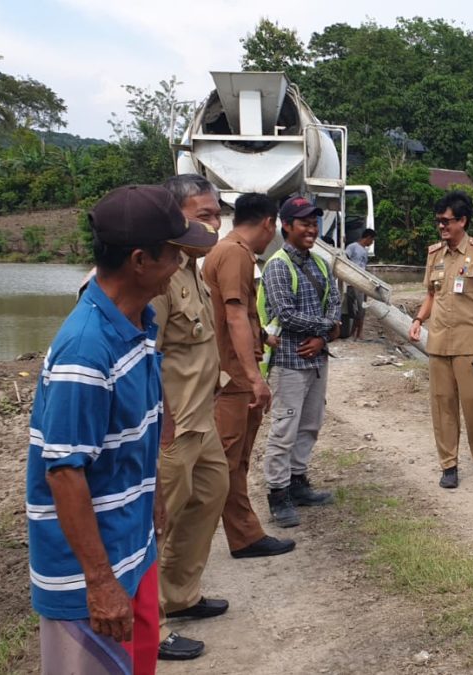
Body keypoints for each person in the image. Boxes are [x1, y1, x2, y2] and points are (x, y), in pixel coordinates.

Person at [26, 185, 215, 674]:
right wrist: (100, 583)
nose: (179, 263)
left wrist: (150, 489)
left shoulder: (139, 322)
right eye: (173, 252)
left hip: (133, 548)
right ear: (139, 260)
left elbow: (137, 425)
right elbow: (64, 474)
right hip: (92, 577)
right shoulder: (86, 351)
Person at [145, 175, 226, 661]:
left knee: (209, 498)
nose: (215, 223)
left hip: (203, 420)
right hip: (172, 429)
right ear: (175, 219)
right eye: (204, 214)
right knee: (156, 523)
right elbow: (145, 357)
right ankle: (148, 627)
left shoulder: (192, 267)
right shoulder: (159, 277)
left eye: (217, 213)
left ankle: (181, 596)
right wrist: (164, 425)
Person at [202, 193, 297, 560]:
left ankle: (244, 534)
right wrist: (254, 376)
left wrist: (263, 337)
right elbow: (234, 314)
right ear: (269, 224)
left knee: (235, 459)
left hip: (231, 370)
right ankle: (224, 536)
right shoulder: (236, 254)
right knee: (227, 460)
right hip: (234, 376)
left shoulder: (226, 251)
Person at [407, 190, 473, 489]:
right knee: (442, 406)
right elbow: (430, 295)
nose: (441, 227)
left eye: (446, 221)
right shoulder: (434, 254)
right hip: (439, 343)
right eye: (438, 222)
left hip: (470, 344)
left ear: (462, 221)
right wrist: (417, 320)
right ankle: (448, 464)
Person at [258, 195, 341, 527]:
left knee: (310, 424)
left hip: (317, 359)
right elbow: (285, 314)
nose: (311, 228)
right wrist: (327, 328)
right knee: (284, 428)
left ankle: (298, 480)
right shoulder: (278, 265)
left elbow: (334, 301)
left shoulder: (320, 262)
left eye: (314, 222)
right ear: (286, 226)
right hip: (289, 362)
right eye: (304, 223)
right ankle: (278, 495)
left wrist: (324, 336)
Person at [343, 228, 375, 340]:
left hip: (363, 283)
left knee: (362, 308)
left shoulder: (365, 251)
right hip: (353, 282)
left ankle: (359, 333)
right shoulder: (352, 247)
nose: (371, 243)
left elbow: (364, 267)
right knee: (355, 308)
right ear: (368, 238)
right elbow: (345, 259)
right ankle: (353, 333)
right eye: (372, 240)